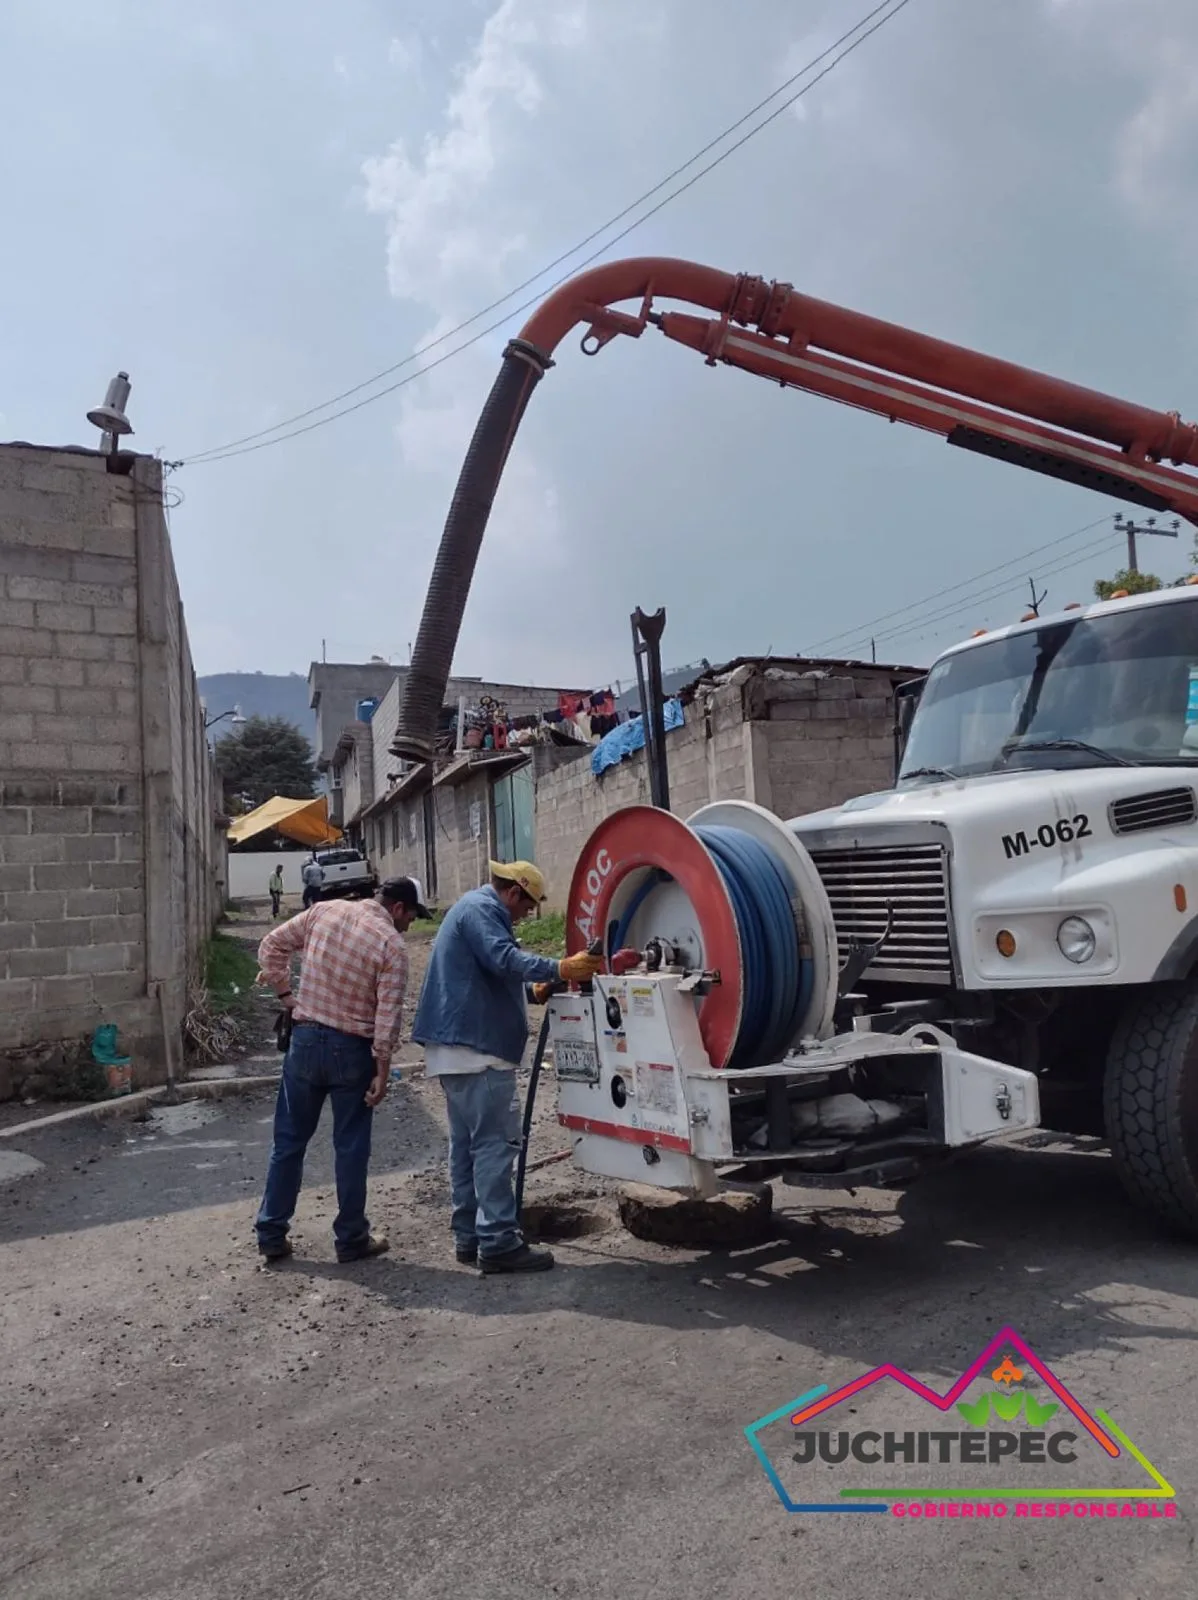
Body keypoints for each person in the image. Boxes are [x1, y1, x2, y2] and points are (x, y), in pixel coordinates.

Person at [412, 860, 603, 1275]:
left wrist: (533, 991)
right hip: (477, 1052)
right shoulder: (482, 909)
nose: (526, 914)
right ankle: (498, 1240)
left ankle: (470, 1236)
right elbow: (503, 958)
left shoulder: (473, 910)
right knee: (495, 1148)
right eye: (528, 906)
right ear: (514, 892)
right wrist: (560, 968)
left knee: (466, 1148)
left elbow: (488, 974)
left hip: (457, 1052)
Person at [254, 876, 429, 1264]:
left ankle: (270, 1232)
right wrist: (382, 1071)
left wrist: (286, 996)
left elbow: (271, 946)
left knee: (288, 1142)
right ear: (399, 907)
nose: (411, 925)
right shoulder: (391, 945)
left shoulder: (323, 911)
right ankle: (350, 1239)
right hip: (352, 1049)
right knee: (350, 1147)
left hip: (304, 1040)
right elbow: (388, 1017)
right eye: (413, 915)